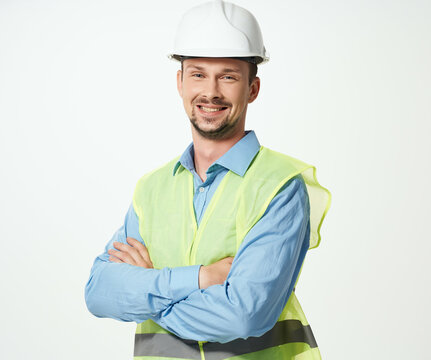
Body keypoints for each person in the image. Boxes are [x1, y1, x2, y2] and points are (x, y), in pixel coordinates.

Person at [84, 1, 331, 359]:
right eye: (198, 74)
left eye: (228, 76)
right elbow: (99, 292)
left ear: (252, 88)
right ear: (180, 82)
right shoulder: (152, 188)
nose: (211, 91)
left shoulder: (279, 185)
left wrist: (147, 290)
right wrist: (200, 278)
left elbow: (244, 315)